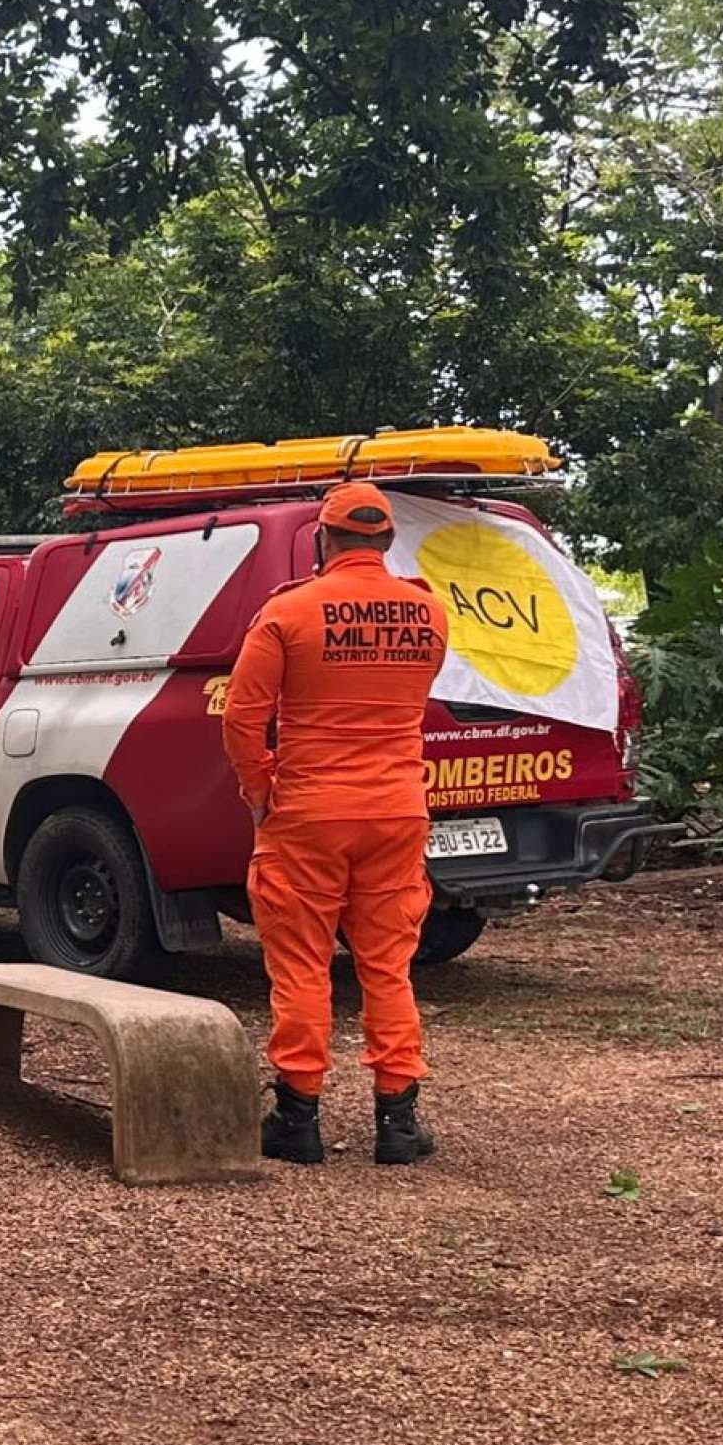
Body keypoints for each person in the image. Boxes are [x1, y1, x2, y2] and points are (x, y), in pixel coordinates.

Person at [222, 483, 451, 1168]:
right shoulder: (429, 614)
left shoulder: (288, 613)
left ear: (324, 540)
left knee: (300, 964)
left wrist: (259, 790)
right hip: (396, 812)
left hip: (310, 815)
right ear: (385, 542)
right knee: (389, 965)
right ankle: (398, 1120)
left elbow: (241, 717)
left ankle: (298, 1116)